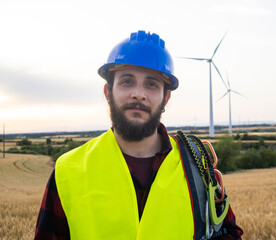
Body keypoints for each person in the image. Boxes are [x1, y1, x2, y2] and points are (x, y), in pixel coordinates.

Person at [34, 30, 243, 240]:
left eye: (151, 84)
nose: (138, 94)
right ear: (108, 92)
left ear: (166, 98)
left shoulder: (197, 164)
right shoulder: (68, 170)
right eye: (127, 81)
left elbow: (227, 233)